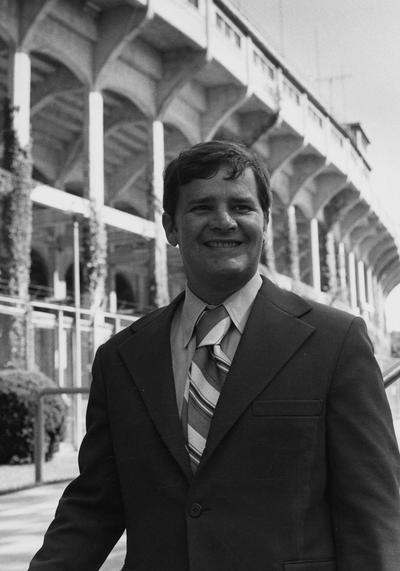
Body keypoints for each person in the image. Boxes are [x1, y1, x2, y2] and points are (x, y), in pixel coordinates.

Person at [29, 140, 400, 571]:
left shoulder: (335, 342)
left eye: (242, 207)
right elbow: (93, 505)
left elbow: (373, 517)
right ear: (170, 227)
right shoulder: (121, 359)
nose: (223, 221)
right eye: (202, 207)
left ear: (265, 221)